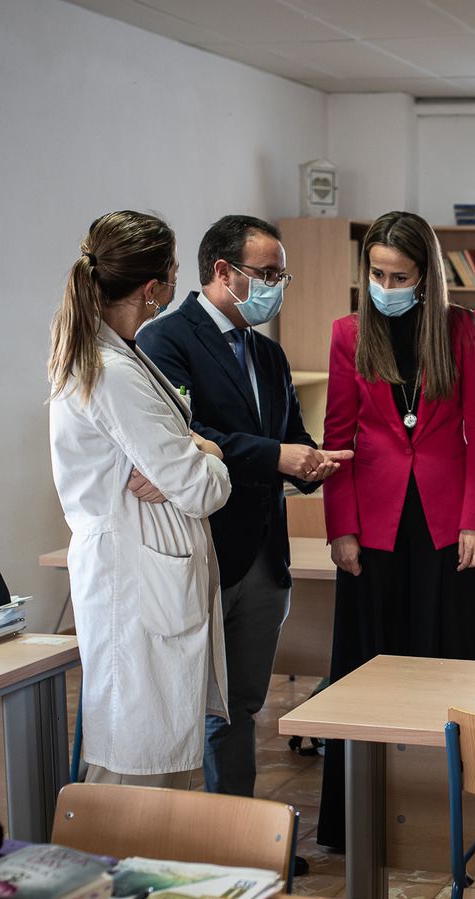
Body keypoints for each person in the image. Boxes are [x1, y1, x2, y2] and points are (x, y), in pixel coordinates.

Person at [139, 215, 352, 798]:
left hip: (264, 553)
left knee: (241, 704)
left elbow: (292, 435)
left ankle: (239, 831)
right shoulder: (164, 339)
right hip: (201, 547)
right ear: (223, 272)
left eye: (283, 274)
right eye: (266, 273)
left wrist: (313, 462)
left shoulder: (267, 354)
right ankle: (198, 839)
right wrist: (277, 457)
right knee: (192, 704)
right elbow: (186, 437)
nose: (276, 285)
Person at [316, 210, 475, 849]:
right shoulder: (346, 333)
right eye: (377, 273)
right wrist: (341, 526)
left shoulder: (461, 328)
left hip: (447, 522)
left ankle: (451, 813)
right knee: (369, 668)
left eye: (400, 274)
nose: (386, 284)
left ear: (426, 275)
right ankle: (356, 817)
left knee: (446, 663)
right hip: (374, 524)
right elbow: (337, 439)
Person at [48, 210, 232, 786]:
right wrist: (213, 454)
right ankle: (118, 874)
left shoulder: (119, 354)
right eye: (175, 273)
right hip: (134, 580)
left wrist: (192, 448)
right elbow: (200, 488)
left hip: (147, 572)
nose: (178, 285)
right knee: (134, 762)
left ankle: (148, 870)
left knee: (150, 753)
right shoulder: (111, 370)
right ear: (153, 289)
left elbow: (180, 467)